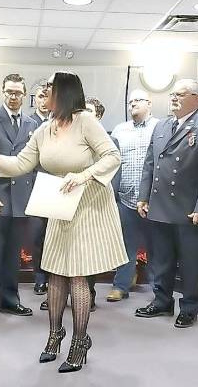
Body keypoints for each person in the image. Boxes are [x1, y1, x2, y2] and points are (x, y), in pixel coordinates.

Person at [0, 72, 127, 373]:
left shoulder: (86, 122)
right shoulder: (44, 129)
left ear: (65, 94)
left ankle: (80, 341)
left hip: (88, 207)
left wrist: (82, 175)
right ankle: (55, 334)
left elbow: (112, 156)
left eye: (49, 91)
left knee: (78, 276)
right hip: (60, 206)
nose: (43, 97)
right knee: (55, 273)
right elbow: (19, 164)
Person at [135, 79, 198, 328]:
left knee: (189, 262)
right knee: (160, 260)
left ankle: (189, 307)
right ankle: (161, 301)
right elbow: (150, 164)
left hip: (189, 209)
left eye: (181, 94)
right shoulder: (162, 126)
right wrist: (144, 197)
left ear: (197, 98)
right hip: (160, 205)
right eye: (172, 94)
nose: (174, 98)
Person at [0, 73, 36, 324]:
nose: (13, 97)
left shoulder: (32, 124)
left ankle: (10, 301)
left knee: (13, 254)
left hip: (21, 200)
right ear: (3, 92)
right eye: (9, 92)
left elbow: (33, 162)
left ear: (24, 95)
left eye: (18, 93)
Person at [106, 88, 158, 302]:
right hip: (125, 197)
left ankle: (159, 291)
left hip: (153, 200)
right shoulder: (120, 129)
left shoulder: (160, 127)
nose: (133, 104)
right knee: (125, 245)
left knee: (157, 247)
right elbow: (112, 162)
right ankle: (121, 285)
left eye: (138, 100)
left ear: (149, 104)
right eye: (130, 102)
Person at [84, 95, 121, 310]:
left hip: (97, 204)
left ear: (98, 115)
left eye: (89, 111)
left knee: (91, 253)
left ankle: (89, 293)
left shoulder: (110, 141)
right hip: (74, 202)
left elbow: (113, 175)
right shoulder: (75, 137)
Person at [29, 85, 50, 296]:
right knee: (37, 237)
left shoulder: (59, 123)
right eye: (40, 97)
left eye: (47, 97)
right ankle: (39, 278)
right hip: (34, 187)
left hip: (56, 188)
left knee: (54, 237)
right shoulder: (28, 123)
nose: (44, 101)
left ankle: (54, 280)